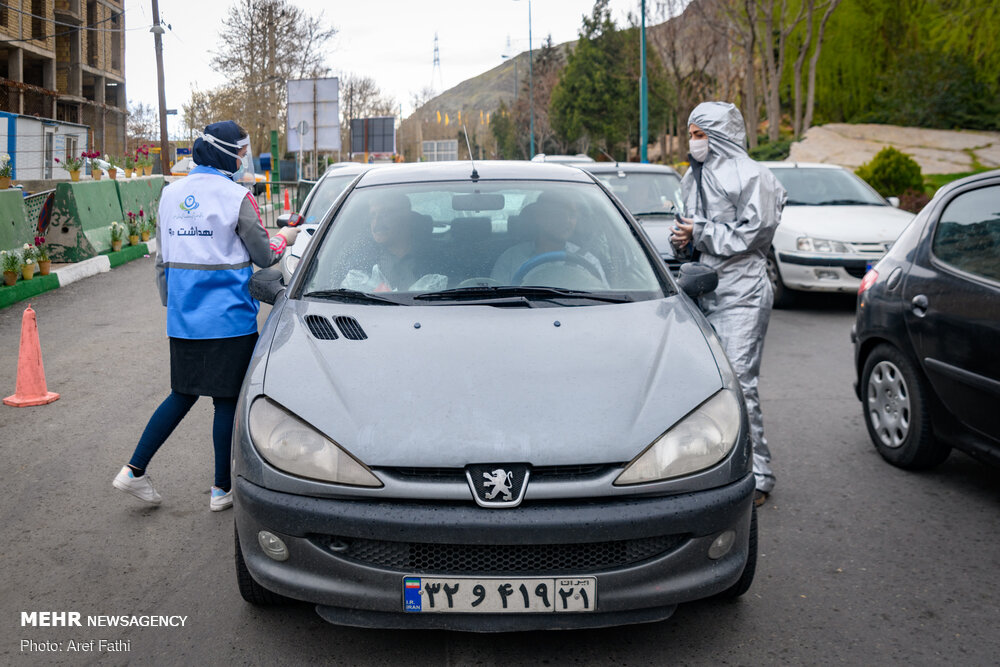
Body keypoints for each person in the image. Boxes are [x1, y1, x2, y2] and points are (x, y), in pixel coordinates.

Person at [113, 121, 299, 511]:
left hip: (184, 319)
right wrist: (287, 238)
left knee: (182, 394)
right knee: (226, 400)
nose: (243, 158)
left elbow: (163, 260)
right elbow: (264, 255)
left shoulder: (169, 195)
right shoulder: (237, 197)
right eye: (240, 151)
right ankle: (220, 490)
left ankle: (133, 470)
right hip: (230, 319)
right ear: (225, 152)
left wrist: (176, 303)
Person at [670, 101, 786, 507]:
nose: (694, 141)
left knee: (739, 382)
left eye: (700, 133)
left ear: (720, 135)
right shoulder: (693, 175)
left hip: (744, 292)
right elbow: (689, 226)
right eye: (691, 133)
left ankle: (758, 477)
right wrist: (682, 239)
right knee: (707, 387)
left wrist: (699, 232)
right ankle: (709, 468)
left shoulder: (755, 176)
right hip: (704, 289)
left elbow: (755, 234)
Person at [491, 193, 607, 286]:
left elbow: (604, 297)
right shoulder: (511, 258)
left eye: (572, 215)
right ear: (540, 218)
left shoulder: (587, 261)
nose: (567, 221)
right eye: (559, 214)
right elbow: (496, 299)